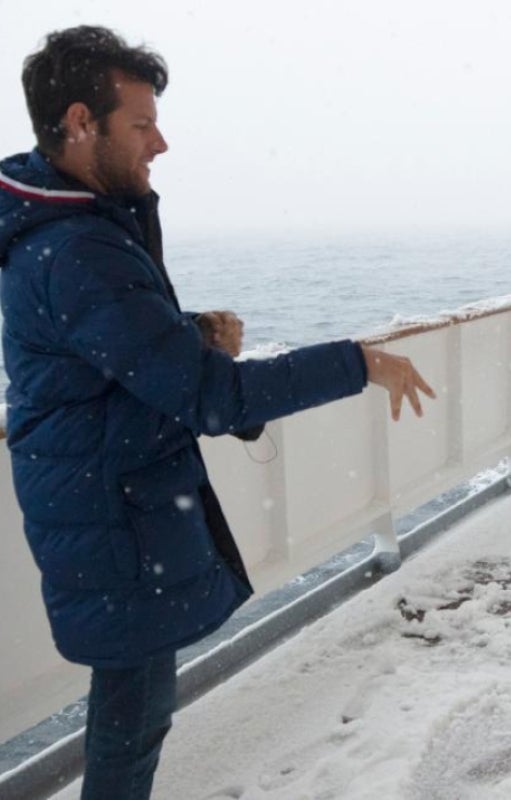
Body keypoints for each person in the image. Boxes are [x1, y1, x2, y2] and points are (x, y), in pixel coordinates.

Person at [0, 26, 436, 798]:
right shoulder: (76, 249)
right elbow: (209, 396)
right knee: (130, 730)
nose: (160, 142)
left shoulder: (71, 226)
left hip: (104, 502)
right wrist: (359, 361)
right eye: (140, 123)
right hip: (109, 516)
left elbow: (107, 351)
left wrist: (191, 335)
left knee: (131, 716)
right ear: (78, 122)